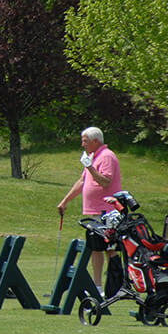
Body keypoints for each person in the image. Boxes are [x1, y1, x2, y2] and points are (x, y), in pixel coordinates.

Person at [57, 126, 122, 296]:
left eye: (85, 141)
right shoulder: (93, 156)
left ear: (96, 141)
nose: (82, 144)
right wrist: (65, 201)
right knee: (96, 248)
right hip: (94, 212)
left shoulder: (106, 156)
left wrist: (91, 167)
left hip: (106, 211)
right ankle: (98, 286)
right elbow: (82, 181)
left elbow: (105, 182)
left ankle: (113, 286)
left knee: (109, 248)